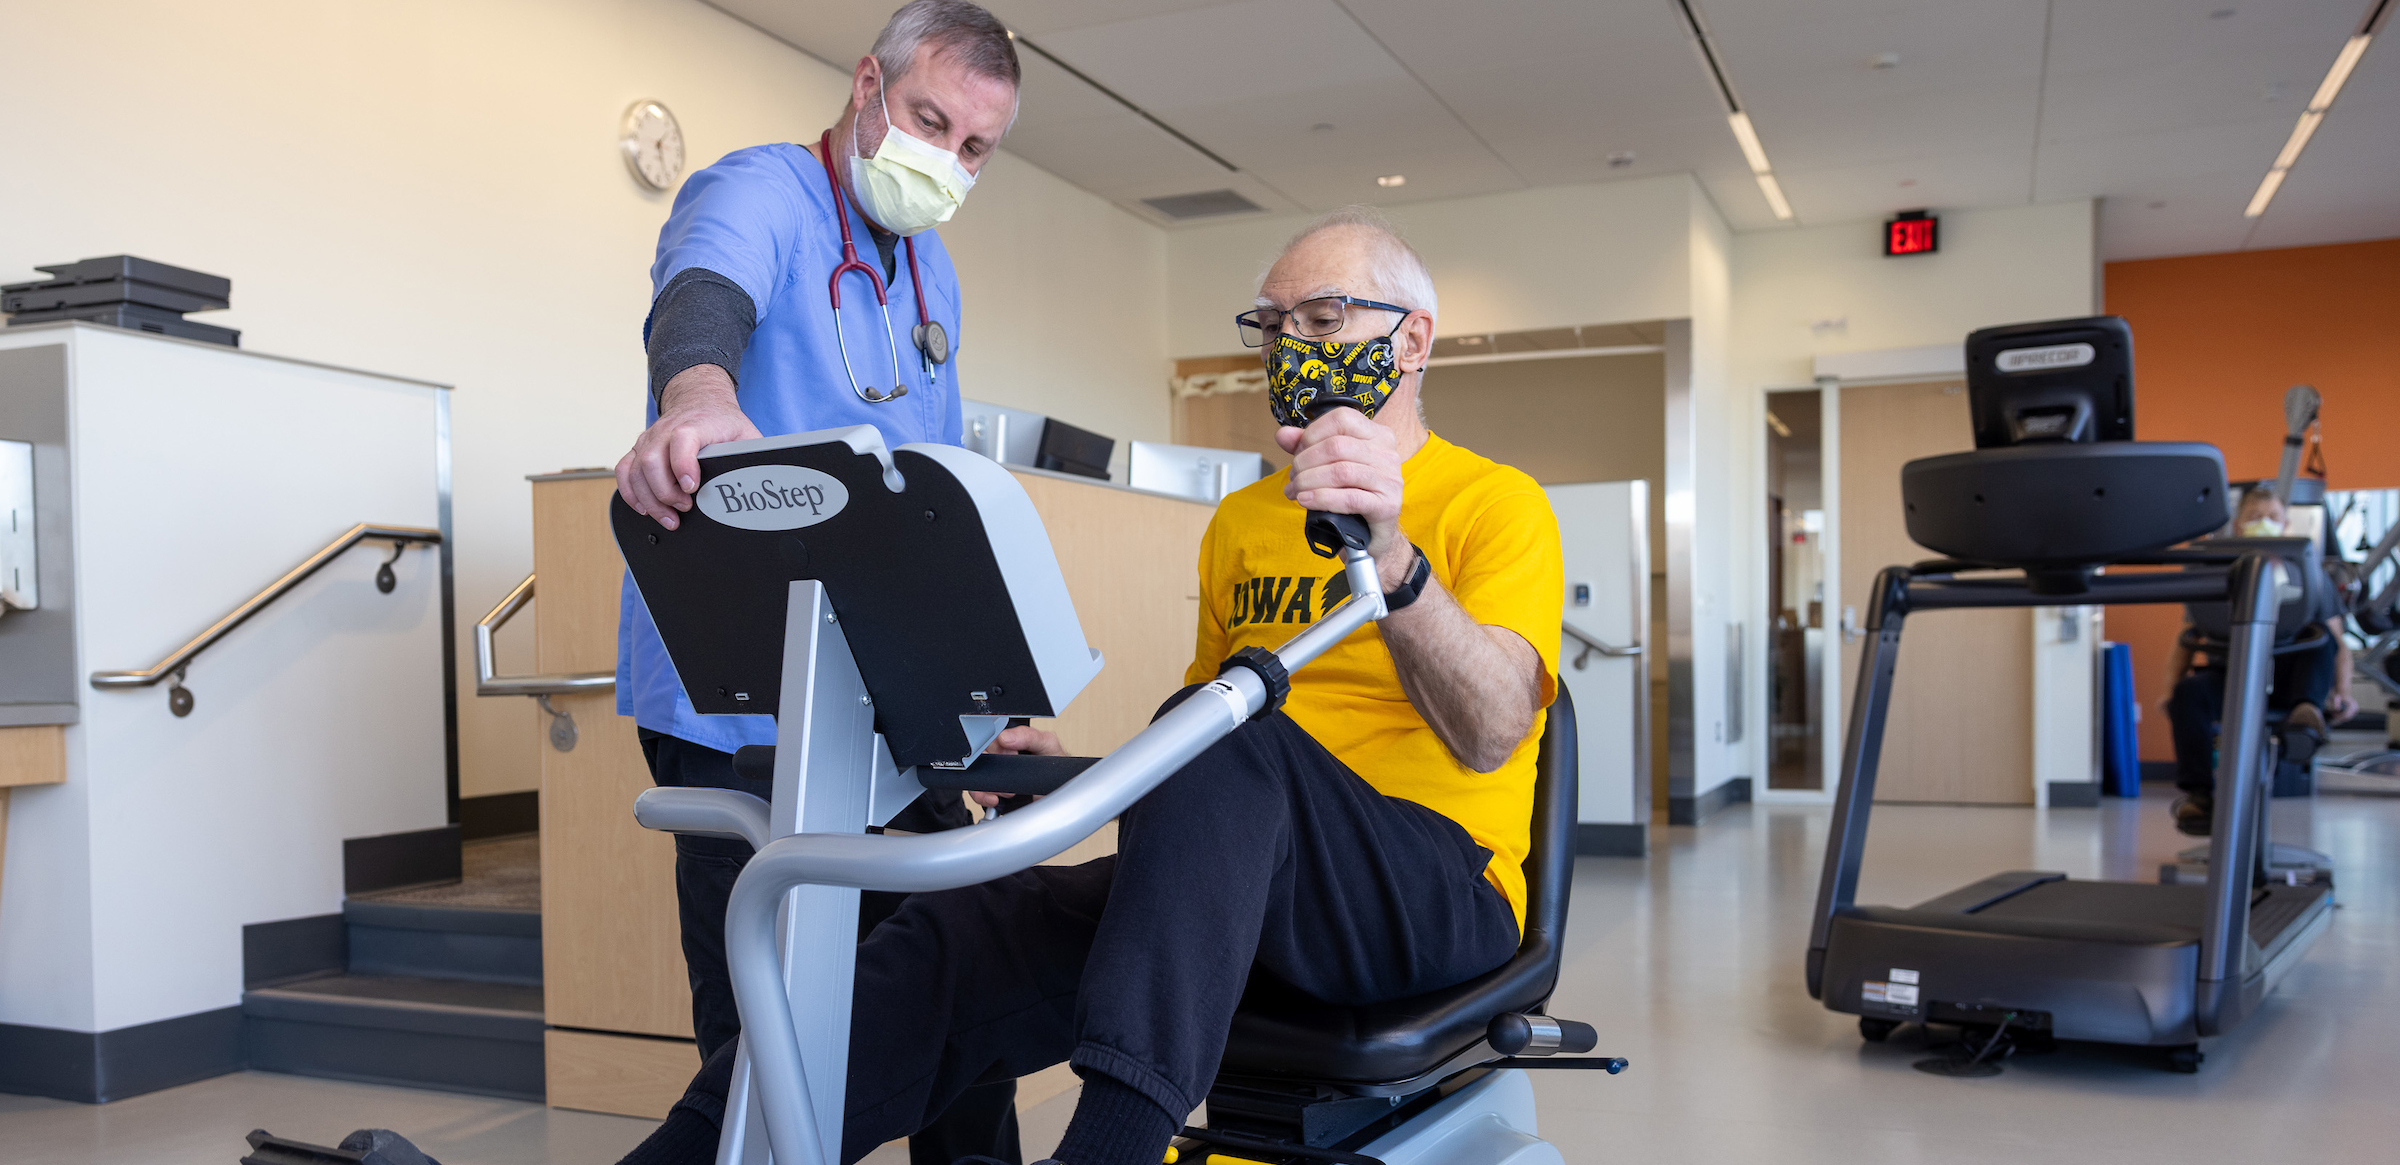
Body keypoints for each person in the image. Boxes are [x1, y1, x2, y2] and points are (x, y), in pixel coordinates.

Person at [612, 4, 1027, 1163]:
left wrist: (988, 695)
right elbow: (703, 297)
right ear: (867, 85)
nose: (947, 160)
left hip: (879, 686)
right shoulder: (760, 191)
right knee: (768, 1029)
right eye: (930, 120)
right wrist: (699, 399)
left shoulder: (930, 267)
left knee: (961, 973)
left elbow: (930, 499)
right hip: (738, 687)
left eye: (975, 146)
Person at [2163, 486, 2355, 835]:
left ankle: (2305, 717)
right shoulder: (2215, 573)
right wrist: (2170, 691)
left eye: (2272, 517)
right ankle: (2199, 798)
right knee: (2188, 695)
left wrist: (2344, 692)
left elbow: (2338, 643)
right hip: (2232, 676)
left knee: (2321, 639)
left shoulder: (2314, 576)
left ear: (2285, 525)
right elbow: (2187, 638)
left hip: (2293, 681)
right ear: (2238, 525)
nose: (2264, 523)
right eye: (2255, 517)